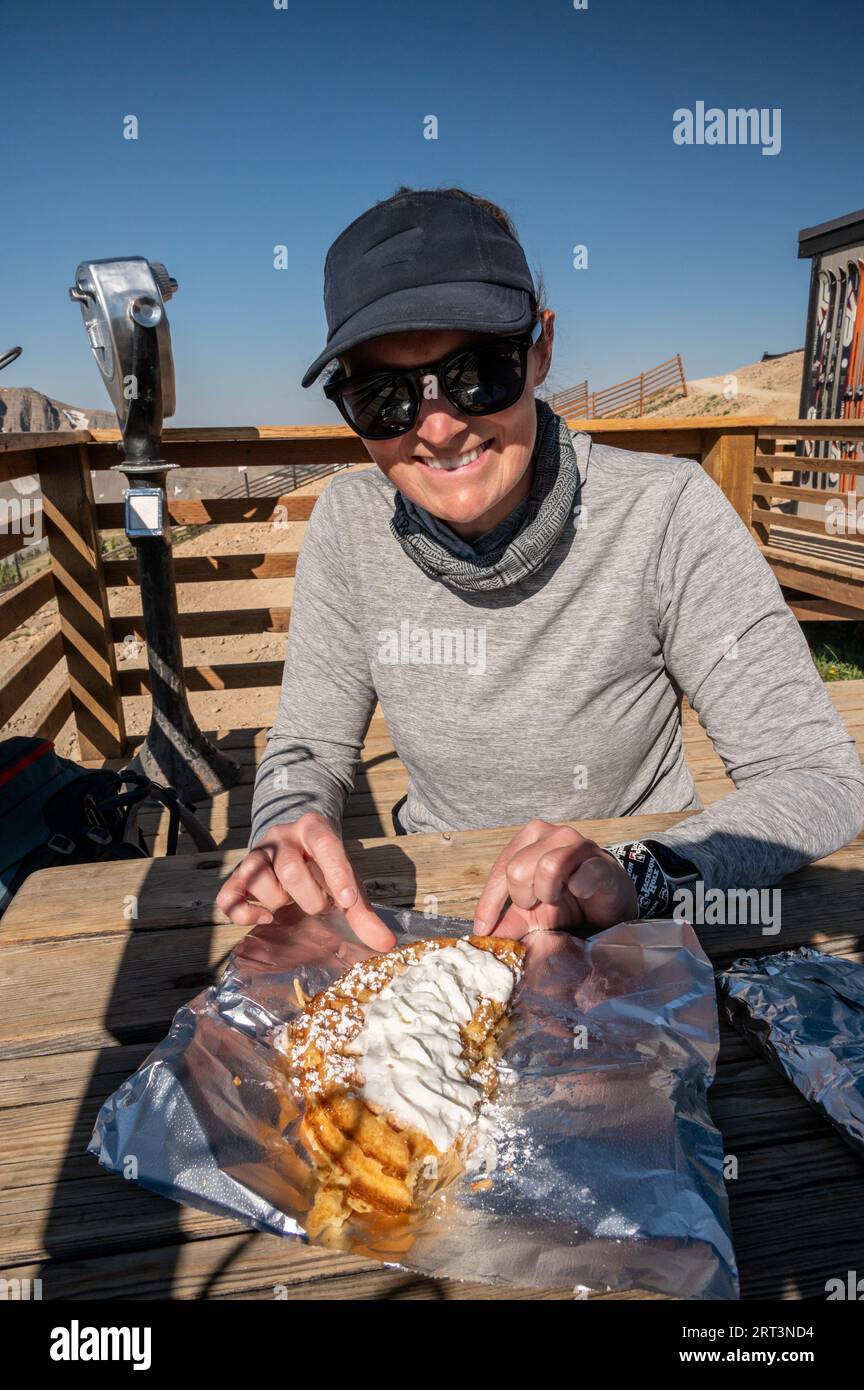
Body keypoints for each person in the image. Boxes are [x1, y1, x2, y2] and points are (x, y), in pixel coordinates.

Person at [216, 185, 864, 950]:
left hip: (630, 926)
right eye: (382, 397)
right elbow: (308, 749)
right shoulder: (348, 525)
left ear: (541, 349)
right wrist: (288, 825)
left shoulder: (665, 513)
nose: (438, 426)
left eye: (478, 373)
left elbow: (817, 778)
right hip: (437, 913)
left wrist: (639, 872)